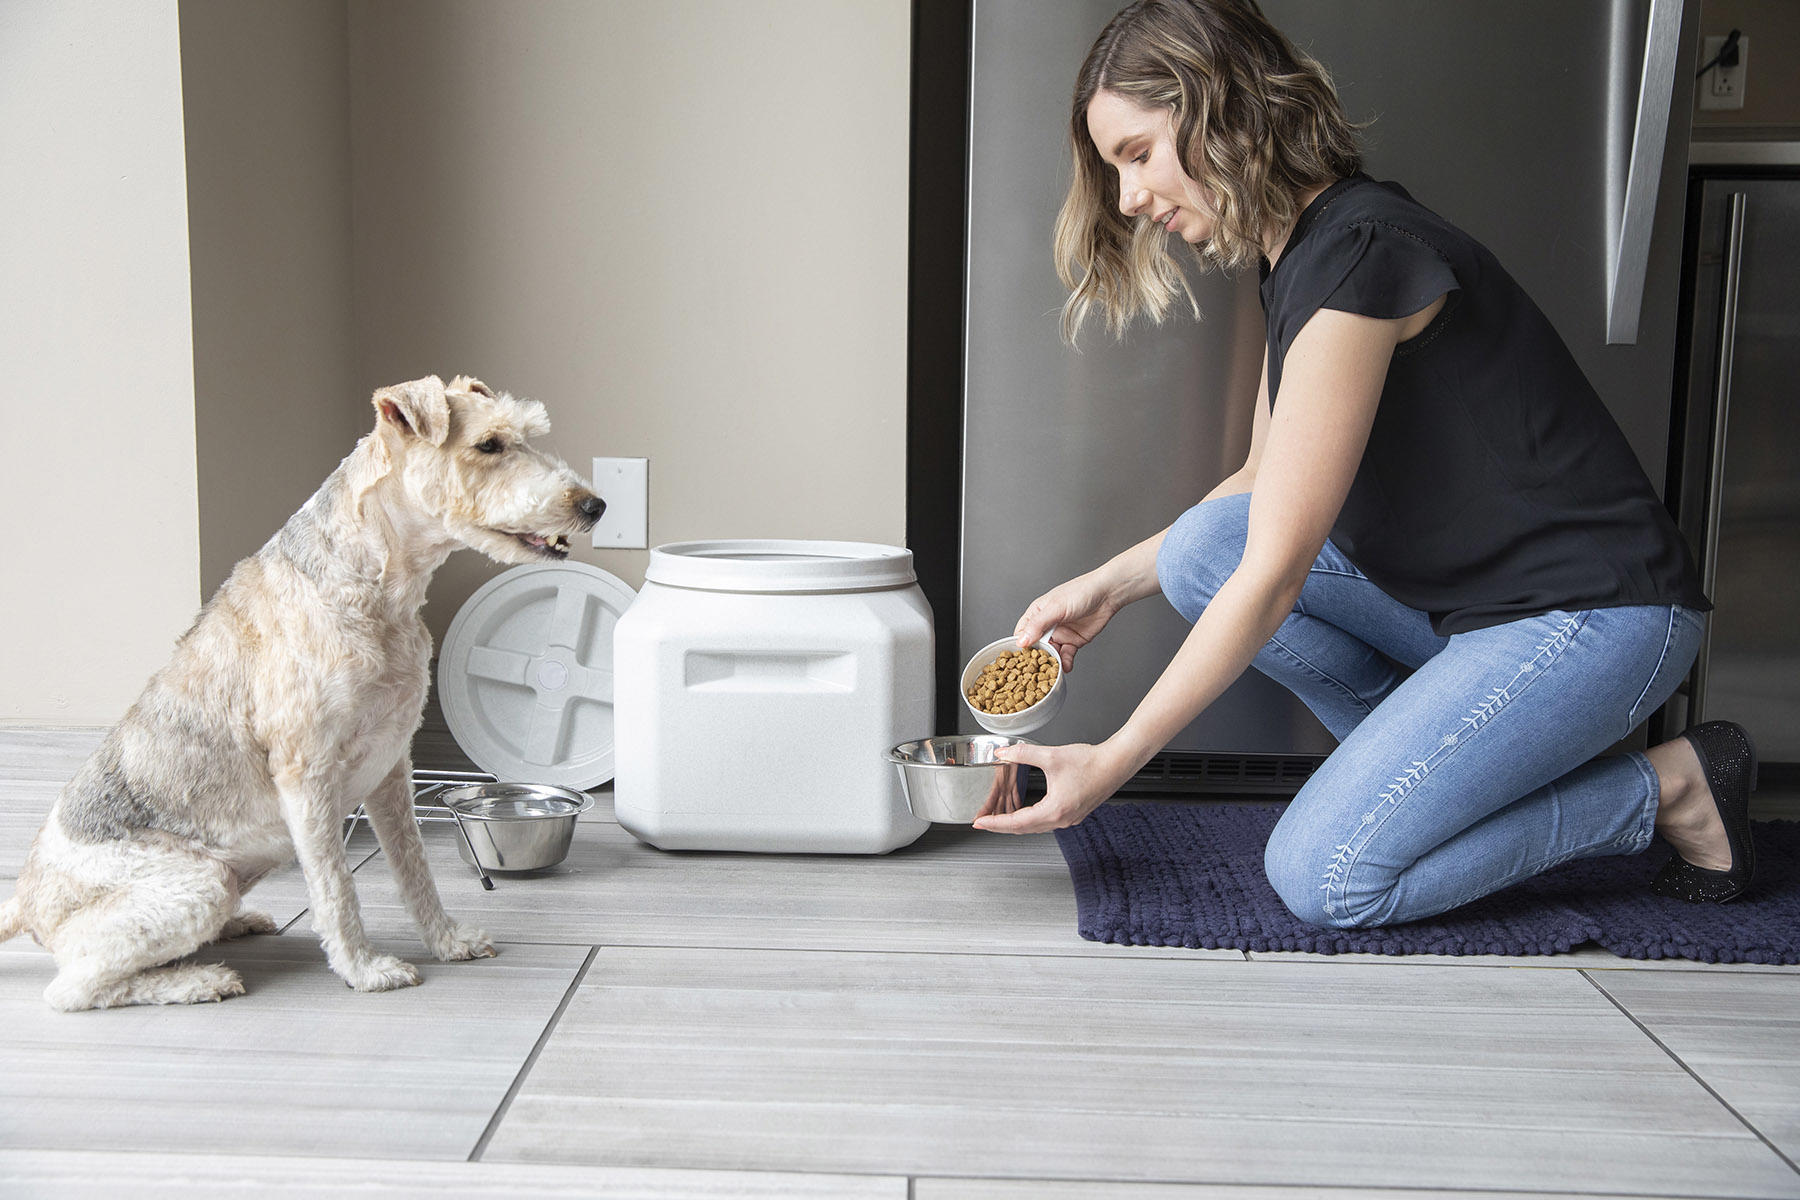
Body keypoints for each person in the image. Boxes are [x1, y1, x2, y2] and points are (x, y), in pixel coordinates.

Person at [972, 0, 1758, 928]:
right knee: (1198, 552)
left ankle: (1669, 789)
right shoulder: (1300, 256)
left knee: (1328, 875)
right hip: (1476, 614)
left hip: (1600, 618)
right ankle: (1450, 777)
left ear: (1218, 108)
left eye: (1137, 154)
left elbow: (1277, 571)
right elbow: (1260, 486)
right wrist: (1106, 587)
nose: (1129, 198)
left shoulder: (1358, 252)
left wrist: (1116, 756)